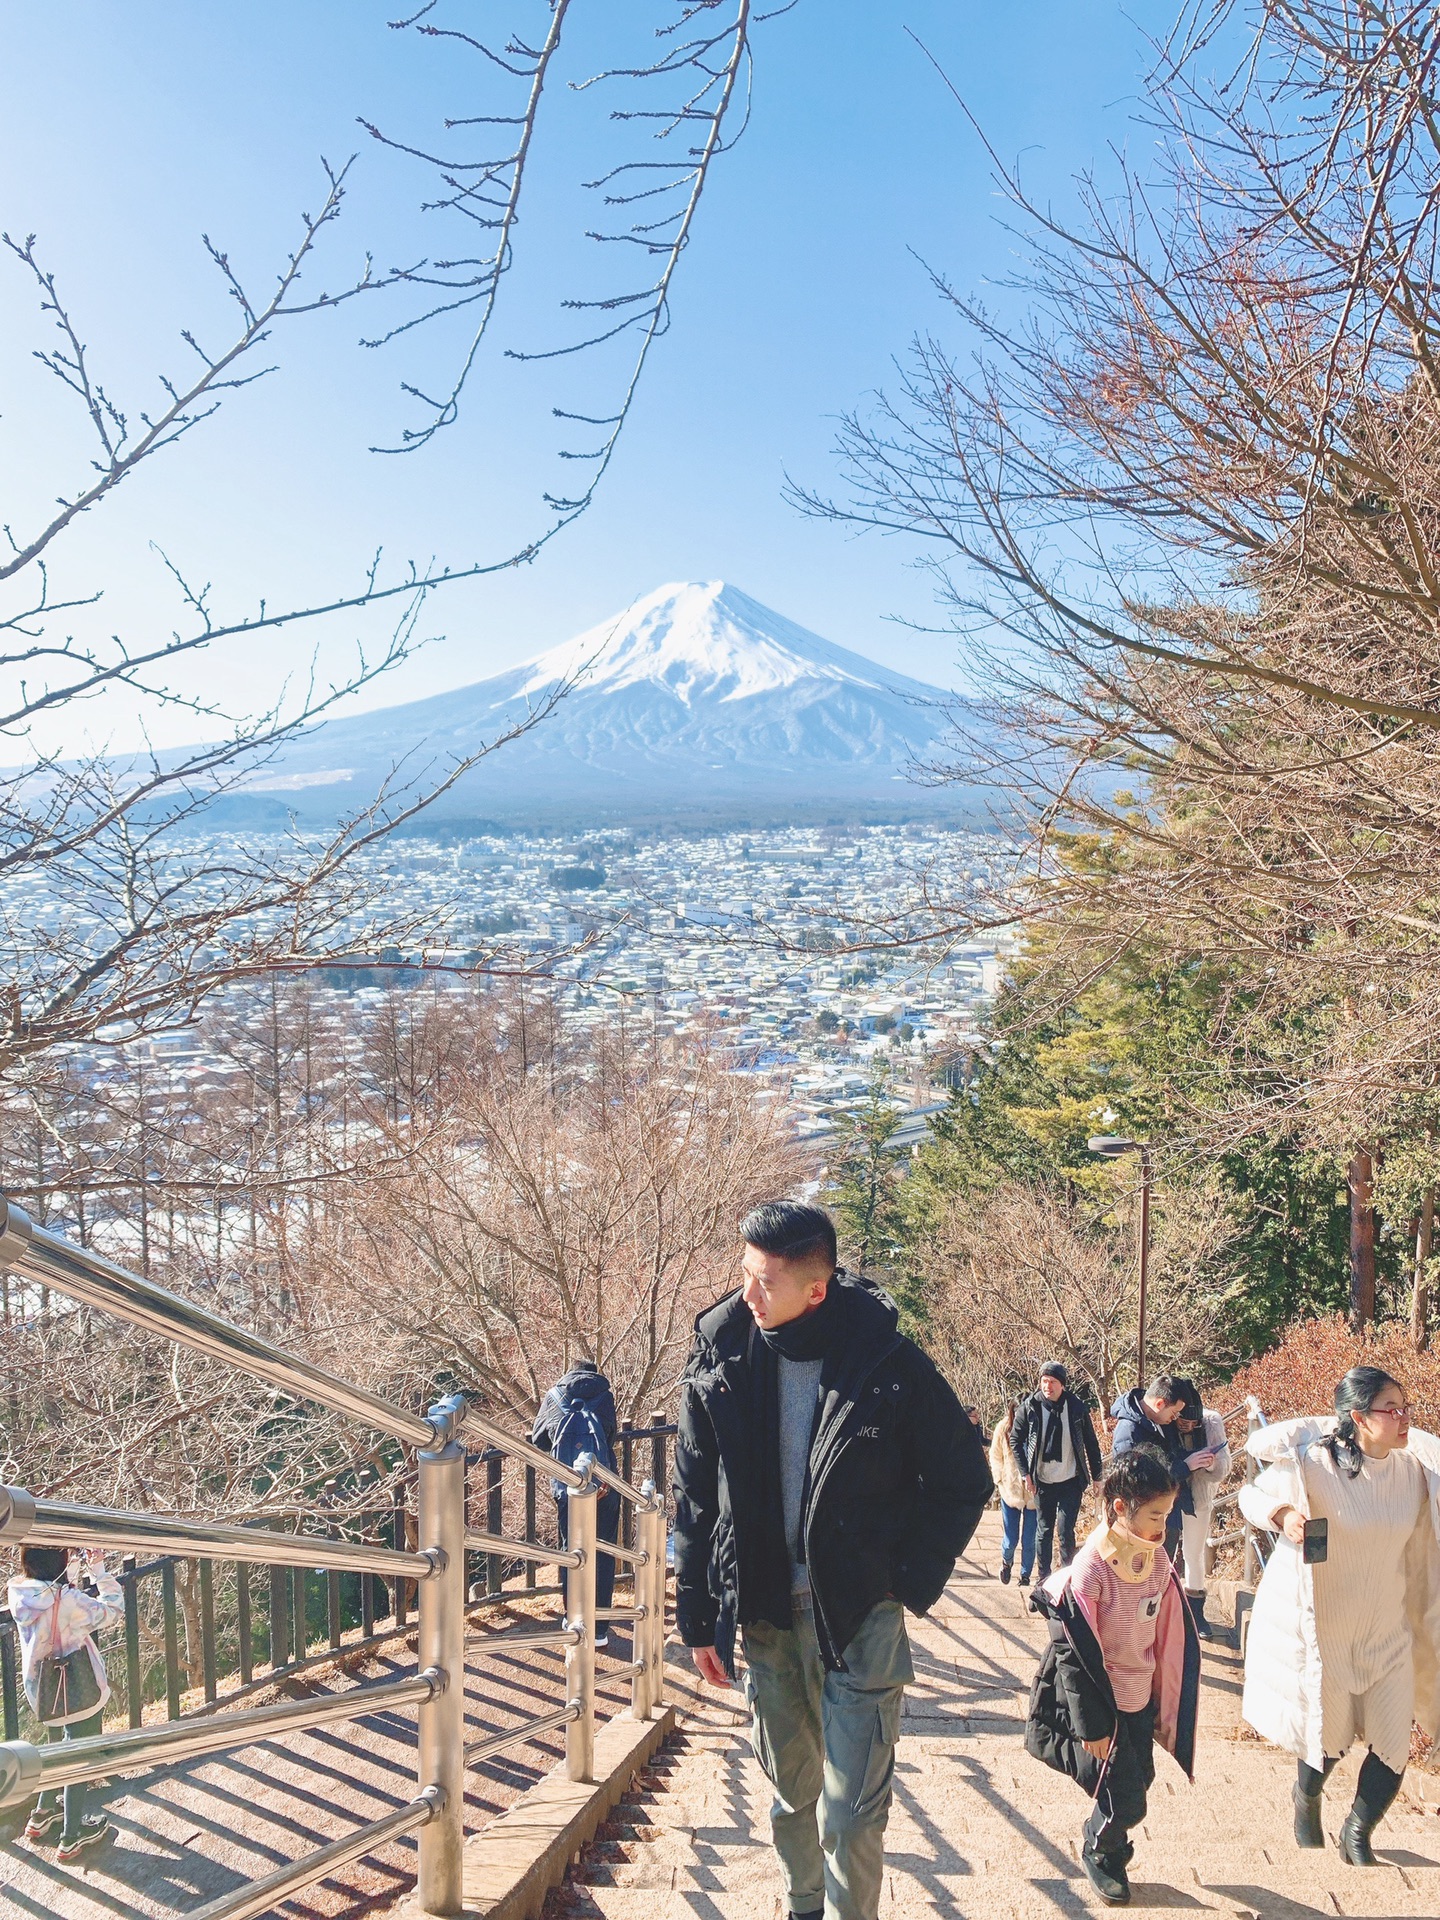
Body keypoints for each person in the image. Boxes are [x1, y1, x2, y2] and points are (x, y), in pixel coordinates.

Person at [673, 1199, 992, 1920]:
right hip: (763, 1610)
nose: (747, 1294)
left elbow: (963, 1480)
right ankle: (802, 1907)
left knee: (850, 1815)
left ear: (816, 1289)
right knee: (792, 1796)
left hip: (857, 1617)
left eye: (766, 1283)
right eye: (744, 1274)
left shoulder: (886, 1361)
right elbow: (692, 1493)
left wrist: (902, 1579)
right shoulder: (722, 1351)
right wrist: (697, 1613)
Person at [1239, 1366, 1440, 1866]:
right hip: (1325, 1632)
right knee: (1324, 1743)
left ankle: (1358, 1831)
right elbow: (1252, 1494)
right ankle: (1306, 1797)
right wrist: (1283, 1516)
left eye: (1405, 1407)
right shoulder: (1313, 1465)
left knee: (1394, 1744)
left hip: (1388, 1633)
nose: (1403, 1418)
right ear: (1358, 1418)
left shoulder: (1417, 1473)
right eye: (1390, 1409)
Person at [1026, 1447, 1200, 1907]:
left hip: (1139, 1696)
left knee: (1138, 1780)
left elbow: (1164, 1635)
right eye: (1155, 1515)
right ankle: (1101, 1850)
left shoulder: (1158, 1560)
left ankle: (1110, 1839)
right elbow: (1071, 1654)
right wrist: (1091, 1726)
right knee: (1128, 1799)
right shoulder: (1091, 1568)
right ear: (1120, 1508)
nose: (1163, 1526)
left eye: (1167, 1514)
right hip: (1103, 1701)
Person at [7, 1543, 124, 1861]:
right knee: (78, 1758)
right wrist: (98, 1571)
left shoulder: (20, 1592)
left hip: (42, 1690)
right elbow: (112, 1610)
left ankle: (42, 1814)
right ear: (58, 1561)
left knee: (56, 1748)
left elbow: (53, 1594)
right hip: (76, 1690)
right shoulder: (68, 1601)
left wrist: (68, 1567)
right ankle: (72, 1836)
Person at [532, 1359, 622, 1649]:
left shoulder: (554, 1396)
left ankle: (573, 1618)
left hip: (568, 1484)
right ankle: (599, 1628)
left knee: (570, 1549)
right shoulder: (604, 1395)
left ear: (568, 1373)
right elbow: (610, 1436)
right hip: (604, 1483)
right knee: (604, 1550)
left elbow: (539, 1440)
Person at [1012, 1361, 1104, 1578]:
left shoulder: (1075, 1407)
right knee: (1044, 1531)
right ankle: (1043, 1580)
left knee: (1065, 1531)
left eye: (1053, 1382)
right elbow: (1015, 1439)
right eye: (1044, 1381)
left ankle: (1068, 1578)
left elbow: (1091, 1443)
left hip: (1071, 1479)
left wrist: (1098, 1476)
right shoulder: (1030, 1407)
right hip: (1042, 1480)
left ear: (1062, 1385)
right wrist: (1025, 1473)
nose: (1048, 1386)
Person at [1110, 1375, 1204, 1559]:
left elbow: (1170, 1456)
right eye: (1175, 1412)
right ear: (1160, 1403)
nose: (1175, 1418)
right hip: (1143, 1517)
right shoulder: (1129, 1431)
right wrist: (1185, 1466)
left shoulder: (1160, 1421)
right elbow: (1136, 1480)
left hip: (1166, 1511)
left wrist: (1195, 1457)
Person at [1174, 1391, 1231, 1638]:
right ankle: (1169, 1610)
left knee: (1193, 1553)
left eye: (1192, 1423)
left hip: (1198, 1497)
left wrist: (1208, 1464)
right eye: (1182, 1421)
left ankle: (1196, 1613)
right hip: (1168, 1494)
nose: (1187, 1426)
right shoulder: (1165, 1420)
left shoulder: (1211, 1422)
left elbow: (1224, 1467)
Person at [990, 1400, 1038, 1587]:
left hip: (1033, 1493)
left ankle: (1025, 1575)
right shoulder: (1003, 1427)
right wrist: (999, 1479)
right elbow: (995, 1456)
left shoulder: (1038, 1427)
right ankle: (1006, 1561)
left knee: (1029, 1539)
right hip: (1010, 1490)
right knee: (1011, 1539)